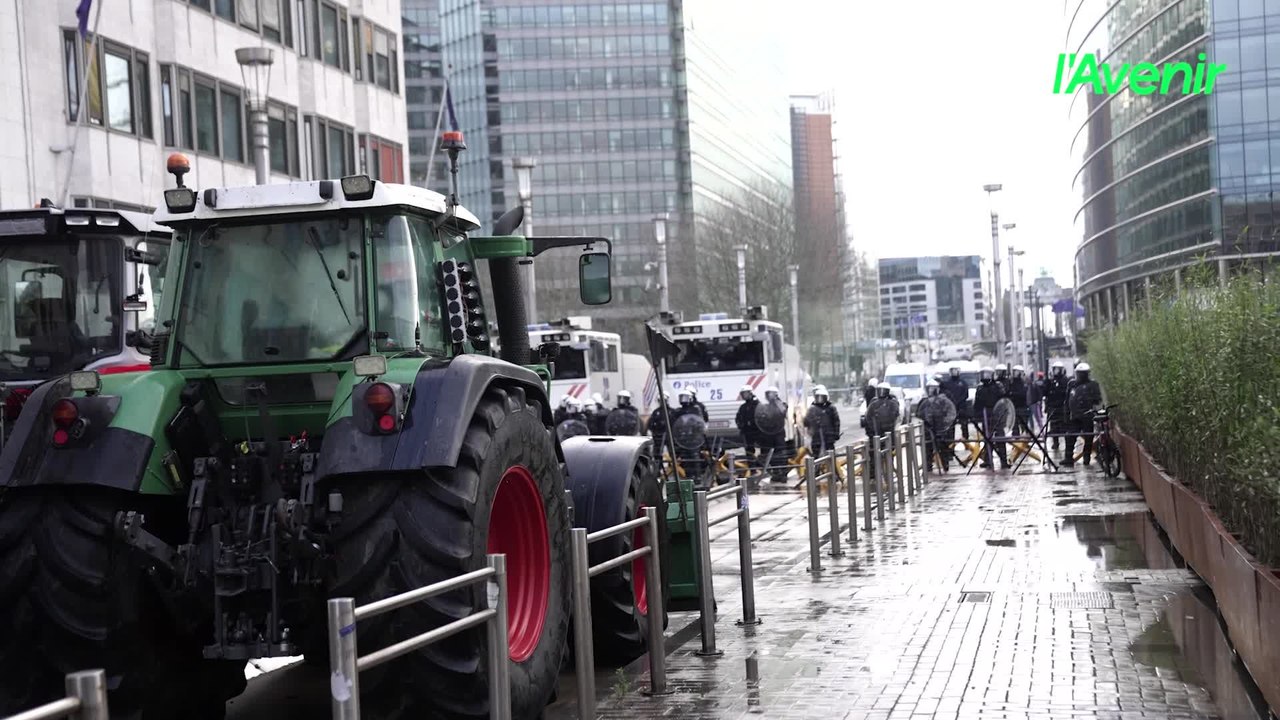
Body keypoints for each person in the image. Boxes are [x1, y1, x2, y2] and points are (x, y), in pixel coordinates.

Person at [1063, 362, 1103, 466]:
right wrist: (1066, 414)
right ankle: (1068, 458)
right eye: (1079, 373)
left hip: (1087, 415)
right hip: (1074, 415)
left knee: (1088, 438)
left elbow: (1098, 399)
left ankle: (1086, 458)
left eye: (1082, 373)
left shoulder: (1092, 385)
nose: (1080, 376)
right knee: (1070, 436)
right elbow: (1067, 399)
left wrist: (1092, 404)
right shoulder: (1072, 384)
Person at [973, 367, 1010, 469]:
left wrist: (1003, 414)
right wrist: (976, 416)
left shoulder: (997, 386)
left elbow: (1003, 399)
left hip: (997, 414)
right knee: (987, 438)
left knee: (1000, 438)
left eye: (987, 374)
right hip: (986, 415)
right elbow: (977, 404)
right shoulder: (980, 388)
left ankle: (1003, 460)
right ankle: (988, 459)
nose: (985, 376)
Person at [915, 381, 956, 471]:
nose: (932, 390)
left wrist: (944, 423)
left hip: (941, 429)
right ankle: (928, 465)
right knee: (927, 448)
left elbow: (951, 413)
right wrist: (926, 421)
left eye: (934, 388)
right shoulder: (924, 402)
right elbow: (919, 413)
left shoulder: (944, 401)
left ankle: (945, 464)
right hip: (928, 429)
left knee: (943, 447)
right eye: (930, 388)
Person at [803, 385, 841, 458]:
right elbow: (806, 422)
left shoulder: (831, 408)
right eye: (818, 397)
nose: (820, 399)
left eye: (822, 397)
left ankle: (830, 464)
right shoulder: (812, 408)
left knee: (830, 455)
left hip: (829, 436)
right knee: (816, 455)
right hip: (817, 437)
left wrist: (836, 433)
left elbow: (836, 422)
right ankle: (817, 465)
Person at [1042, 361, 1071, 451]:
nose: (1057, 371)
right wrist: (1046, 382)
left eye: (1058, 369)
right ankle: (1055, 442)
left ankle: (1067, 444)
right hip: (1052, 407)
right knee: (1053, 426)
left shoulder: (1065, 381)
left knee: (1065, 426)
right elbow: (1045, 393)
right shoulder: (1050, 381)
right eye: (1055, 369)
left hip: (1062, 407)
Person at [940, 366, 971, 440]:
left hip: (962, 407)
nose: (954, 372)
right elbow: (944, 394)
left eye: (956, 370)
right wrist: (951, 402)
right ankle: (950, 440)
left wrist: (959, 402)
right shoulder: (946, 383)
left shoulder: (963, 383)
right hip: (951, 407)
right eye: (952, 370)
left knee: (964, 423)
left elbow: (966, 394)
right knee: (950, 425)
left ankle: (966, 438)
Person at [735, 385, 761, 456]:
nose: (743, 395)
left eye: (744, 393)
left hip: (757, 431)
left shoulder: (757, 404)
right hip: (747, 432)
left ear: (750, 393)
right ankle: (750, 461)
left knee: (764, 448)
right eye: (742, 394)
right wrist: (740, 425)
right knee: (749, 450)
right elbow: (738, 418)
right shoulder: (743, 407)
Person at [1008, 366, 1032, 437]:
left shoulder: (1024, 383)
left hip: (1023, 407)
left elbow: (1023, 394)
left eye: (1017, 372)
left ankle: (1023, 439)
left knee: (1023, 426)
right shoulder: (1011, 383)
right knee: (1015, 427)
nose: (1015, 374)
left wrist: (1013, 393)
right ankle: (1016, 439)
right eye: (1014, 372)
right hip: (1014, 407)